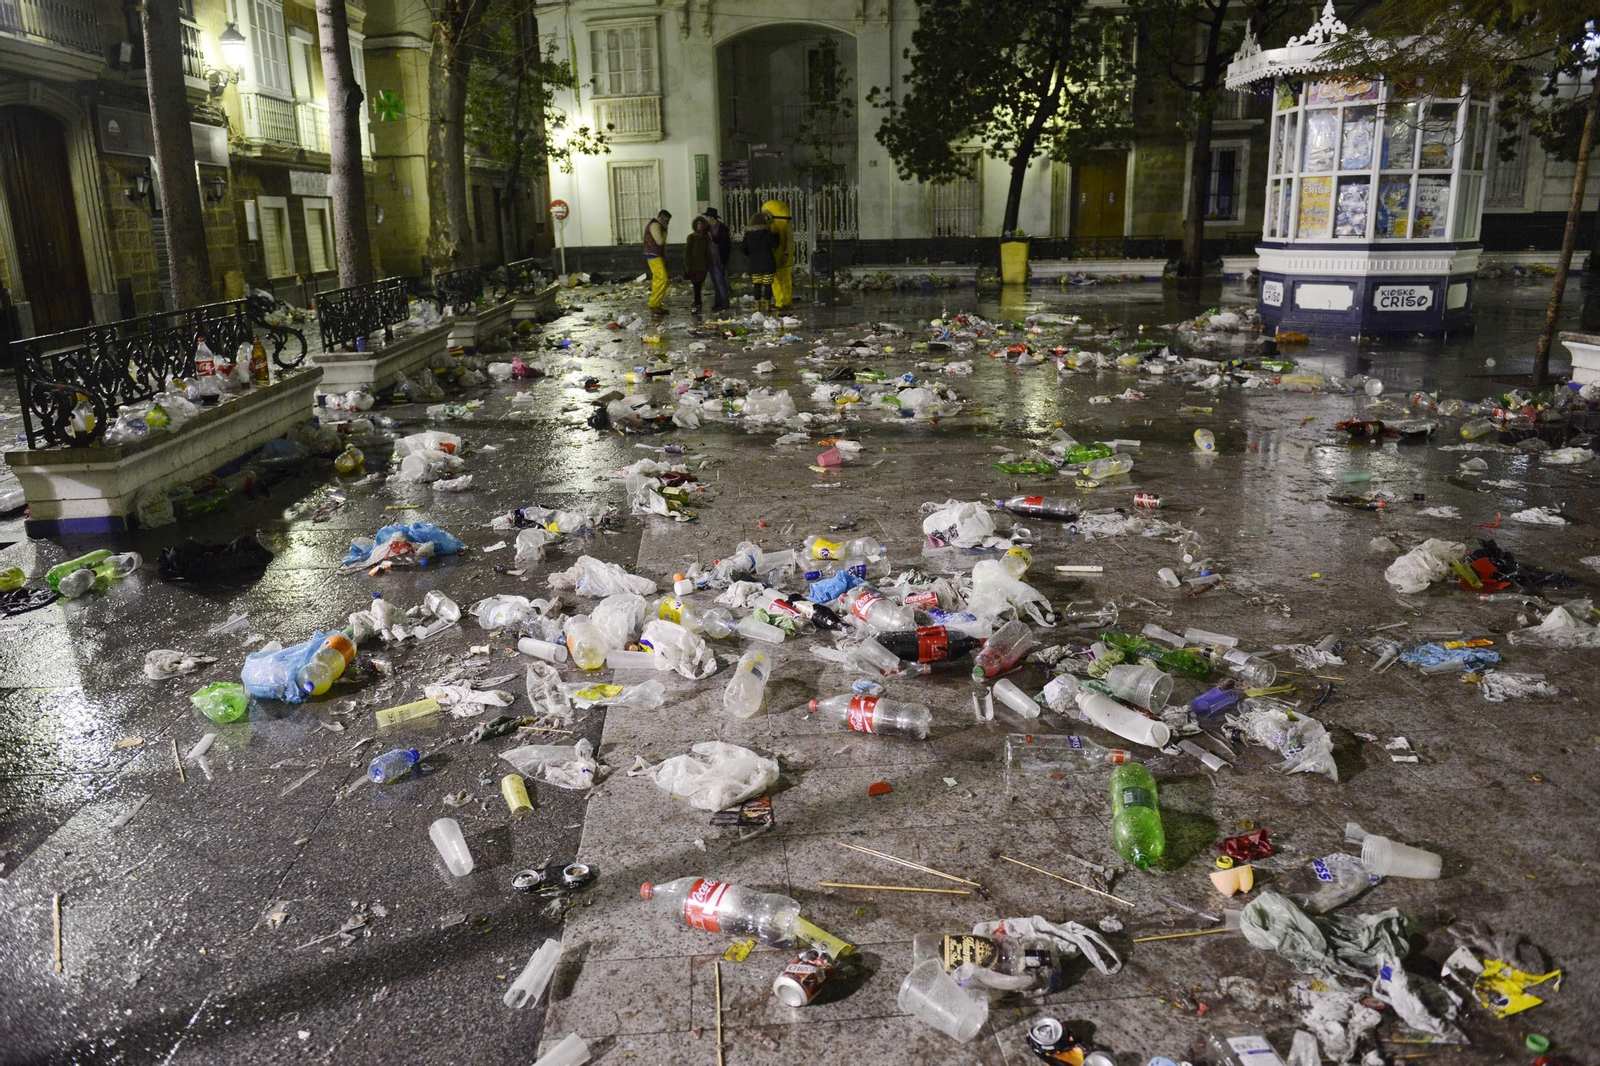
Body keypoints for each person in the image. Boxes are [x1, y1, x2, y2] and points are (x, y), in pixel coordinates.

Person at [741, 211, 778, 312]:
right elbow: (775, 245)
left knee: (757, 285)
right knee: (767, 284)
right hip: (768, 262)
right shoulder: (768, 233)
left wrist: (752, 254)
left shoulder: (748, 235)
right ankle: (767, 306)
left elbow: (743, 249)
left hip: (754, 263)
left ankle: (757, 306)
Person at [642, 209, 671, 315]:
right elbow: (659, 241)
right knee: (662, 279)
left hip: (656, 256)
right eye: (666, 221)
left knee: (657, 281)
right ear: (660, 219)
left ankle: (657, 304)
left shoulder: (657, 225)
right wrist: (664, 231)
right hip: (654, 256)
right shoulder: (655, 225)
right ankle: (653, 304)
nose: (667, 224)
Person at [704, 207, 732, 313]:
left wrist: (713, 238)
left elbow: (724, 243)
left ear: (711, 217)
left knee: (720, 281)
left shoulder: (722, 228)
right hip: (710, 258)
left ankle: (724, 303)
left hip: (719, 258)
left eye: (707, 217)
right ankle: (718, 302)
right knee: (715, 282)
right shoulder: (707, 229)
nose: (706, 219)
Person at [684, 216, 711, 314]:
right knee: (696, 284)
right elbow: (687, 252)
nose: (700, 226)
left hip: (703, 264)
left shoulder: (706, 237)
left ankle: (697, 300)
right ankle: (697, 300)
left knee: (699, 282)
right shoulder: (691, 237)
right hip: (694, 264)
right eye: (698, 224)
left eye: (702, 224)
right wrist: (687, 266)